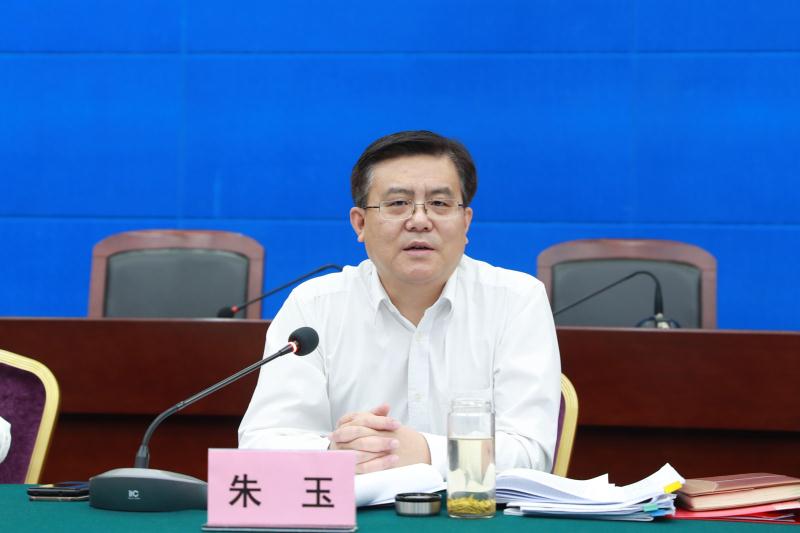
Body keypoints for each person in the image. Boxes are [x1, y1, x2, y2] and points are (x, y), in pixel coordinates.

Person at [239, 130, 561, 477]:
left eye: (440, 204)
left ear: (466, 222)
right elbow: (262, 443)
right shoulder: (313, 307)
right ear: (360, 223)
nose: (420, 221)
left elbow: (531, 453)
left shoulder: (516, 301)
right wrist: (337, 453)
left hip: (469, 508)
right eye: (397, 204)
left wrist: (425, 452)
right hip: (354, 509)